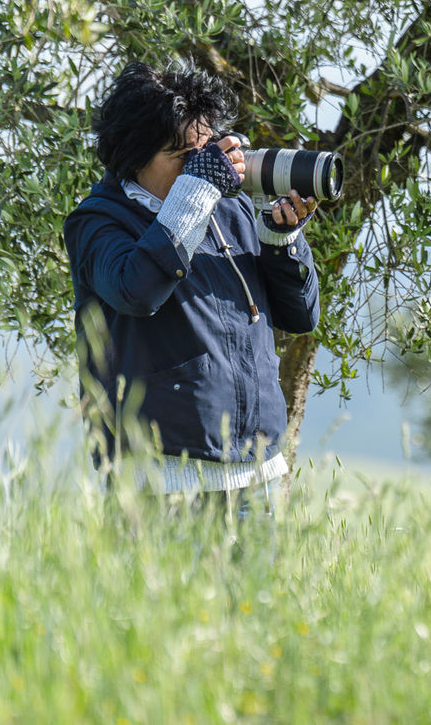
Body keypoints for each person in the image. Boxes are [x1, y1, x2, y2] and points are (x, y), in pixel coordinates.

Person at [63, 61, 320, 517]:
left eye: (206, 153)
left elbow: (300, 317)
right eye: (184, 157)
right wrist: (198, 189)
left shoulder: (231, 210)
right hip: (159, 486)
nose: (202, 168)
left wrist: (283, 239)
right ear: (134, 154)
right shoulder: (98, 222)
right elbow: (136, 291)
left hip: (255, 478)